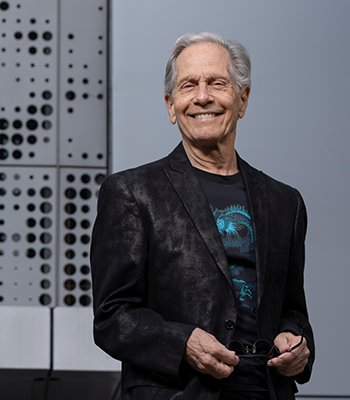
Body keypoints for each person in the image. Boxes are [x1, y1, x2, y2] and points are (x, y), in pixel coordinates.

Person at [91, 32, 314, 400]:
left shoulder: (285, 202)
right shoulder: (131, 192)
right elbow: (112, 317)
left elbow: (292, 311)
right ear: (171, 105)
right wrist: (182, 343)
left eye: (217, 83)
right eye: (188, 85)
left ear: (242, 99)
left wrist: (298, 343)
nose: (202, 96)